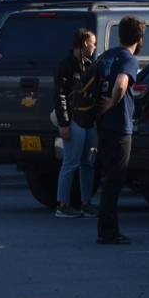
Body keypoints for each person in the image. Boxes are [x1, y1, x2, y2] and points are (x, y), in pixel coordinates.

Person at [94, 16, 146, 246]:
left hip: (103, 124)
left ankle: (105, 227)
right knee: (116, 178)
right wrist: (114, 102)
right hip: (119, 125)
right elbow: (121, 84)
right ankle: (108, 231)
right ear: (140, 38)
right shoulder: (128, 58)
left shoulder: (106, 56)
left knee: (108, 178)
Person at [53, 26, 98, 219]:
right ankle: (62, 204)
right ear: (85, 43)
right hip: (74, 121)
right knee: (70, 163)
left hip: (89, 120)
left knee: (87, 163)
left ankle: (86, 203)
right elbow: (59, 95)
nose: (95, 47)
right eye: (93, 43)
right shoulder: (66, 66)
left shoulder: (89, 66)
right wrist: (64, 123)